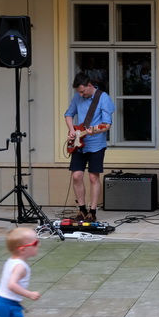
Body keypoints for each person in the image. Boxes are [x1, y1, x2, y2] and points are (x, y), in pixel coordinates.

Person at [64, 73, 114, 222]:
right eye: (78, 92)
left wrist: (95, 130)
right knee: (76, 176)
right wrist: (71, 130)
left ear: (90, 85)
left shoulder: (103, 98)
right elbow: (68, 114)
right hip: (78, 143)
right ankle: (81, 209)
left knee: (93, 177)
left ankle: (92, 211)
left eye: (82, 91)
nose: (80, 94)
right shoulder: (77, 97)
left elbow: (107, 124)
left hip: (96, 144)